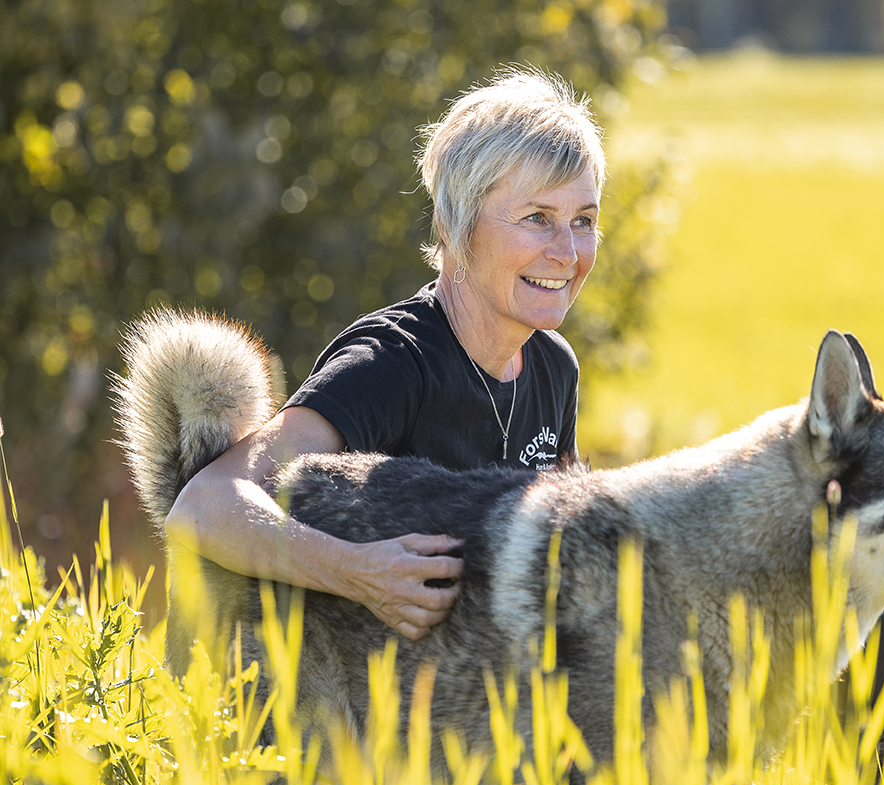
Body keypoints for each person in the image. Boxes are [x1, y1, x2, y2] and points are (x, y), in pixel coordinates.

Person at [164, 68, 605, 640]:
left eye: (584, 221)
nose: (568, 253)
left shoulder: (554, 367)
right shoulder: (391, 364)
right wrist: (358, 572)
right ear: (455, 225)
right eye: (537, 219)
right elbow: (203, 506)